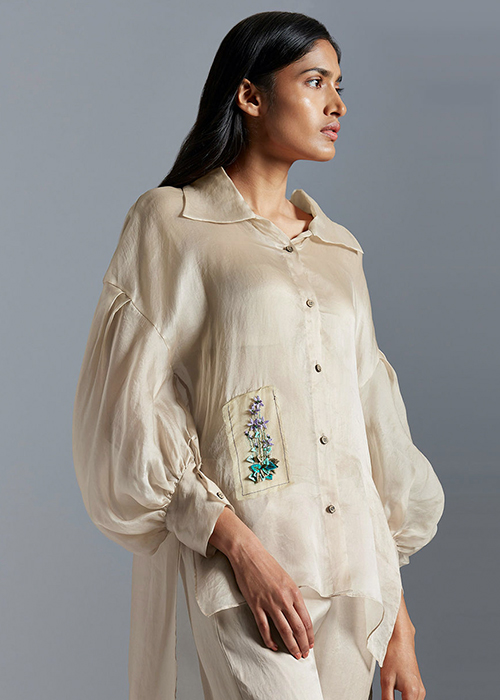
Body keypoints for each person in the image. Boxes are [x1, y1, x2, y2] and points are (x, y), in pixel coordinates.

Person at [72, 11, 445, 700]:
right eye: (314, 81)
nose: (337, 105)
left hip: (356, 582)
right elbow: (131, 413)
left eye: (339, 86)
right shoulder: (173, 223)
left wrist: (400, 623)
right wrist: (243, 549)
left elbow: (370, 430)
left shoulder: (340, 250)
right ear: (249, 95)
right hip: (246, 568)